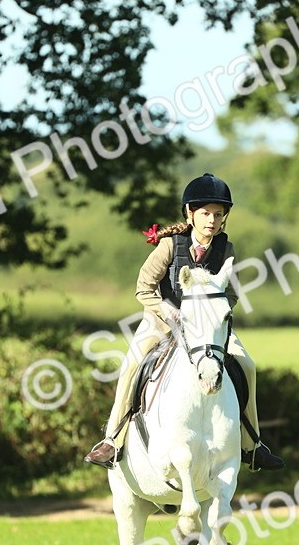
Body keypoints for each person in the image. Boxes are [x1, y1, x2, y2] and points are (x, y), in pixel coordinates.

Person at [84, 172, 284, 472]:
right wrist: (169, 312)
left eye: (218, 214)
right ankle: (113, 440)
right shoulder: (168, 246)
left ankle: (251, 445)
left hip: (207, 328)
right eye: (205, 213)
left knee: (248, 365)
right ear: (190, 214)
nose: (212, 220)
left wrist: (215, 314)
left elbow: (231, 294)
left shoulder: (226, 249)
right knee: (131, 365)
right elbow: (143, 288)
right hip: (162, 322)